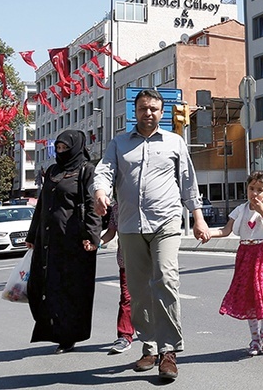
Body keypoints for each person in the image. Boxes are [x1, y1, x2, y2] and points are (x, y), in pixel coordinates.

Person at [93, 88, 210, 382]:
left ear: (162, 112)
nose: (149, 113)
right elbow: (105, 171)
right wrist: (100, 192)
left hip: (166, 222)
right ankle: (149, 346)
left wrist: (198, 219)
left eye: (154, 109)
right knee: (138, 289)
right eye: (143, 108)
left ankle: (169, 351)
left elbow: (188, 183)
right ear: (135, 111)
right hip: (131, 225)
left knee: (166, 279)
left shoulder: (175, 142)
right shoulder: (119, 144)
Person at [26, 130, 101, 354]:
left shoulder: (87, 171)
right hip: (48, 240)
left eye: (64, 148)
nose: (60, 152)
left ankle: (68, 336)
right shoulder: (52, 171)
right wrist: (32, 235)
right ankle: (53, 330)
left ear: (76, 147)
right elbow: (41, 206)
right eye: (57, 148)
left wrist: (91, 235)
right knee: (43, 286)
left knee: (71, 290)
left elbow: (92, 206)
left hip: (74, 242)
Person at [209, 171, 263, 356]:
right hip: (246, 254)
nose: (255, 193)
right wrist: (208, 233)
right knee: (250, 296)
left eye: (260, 190)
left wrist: (262, 211)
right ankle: (254, 338)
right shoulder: (240, 209)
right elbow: (226, 230)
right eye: (251, 188)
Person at [99, 202, 134, 355]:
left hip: (148, 261)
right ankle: (124, 336)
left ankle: (156, 337)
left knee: (151, 298)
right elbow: (111, 232)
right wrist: (98, 242)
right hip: (125, 261)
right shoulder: (117, 207)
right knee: (126, 298)